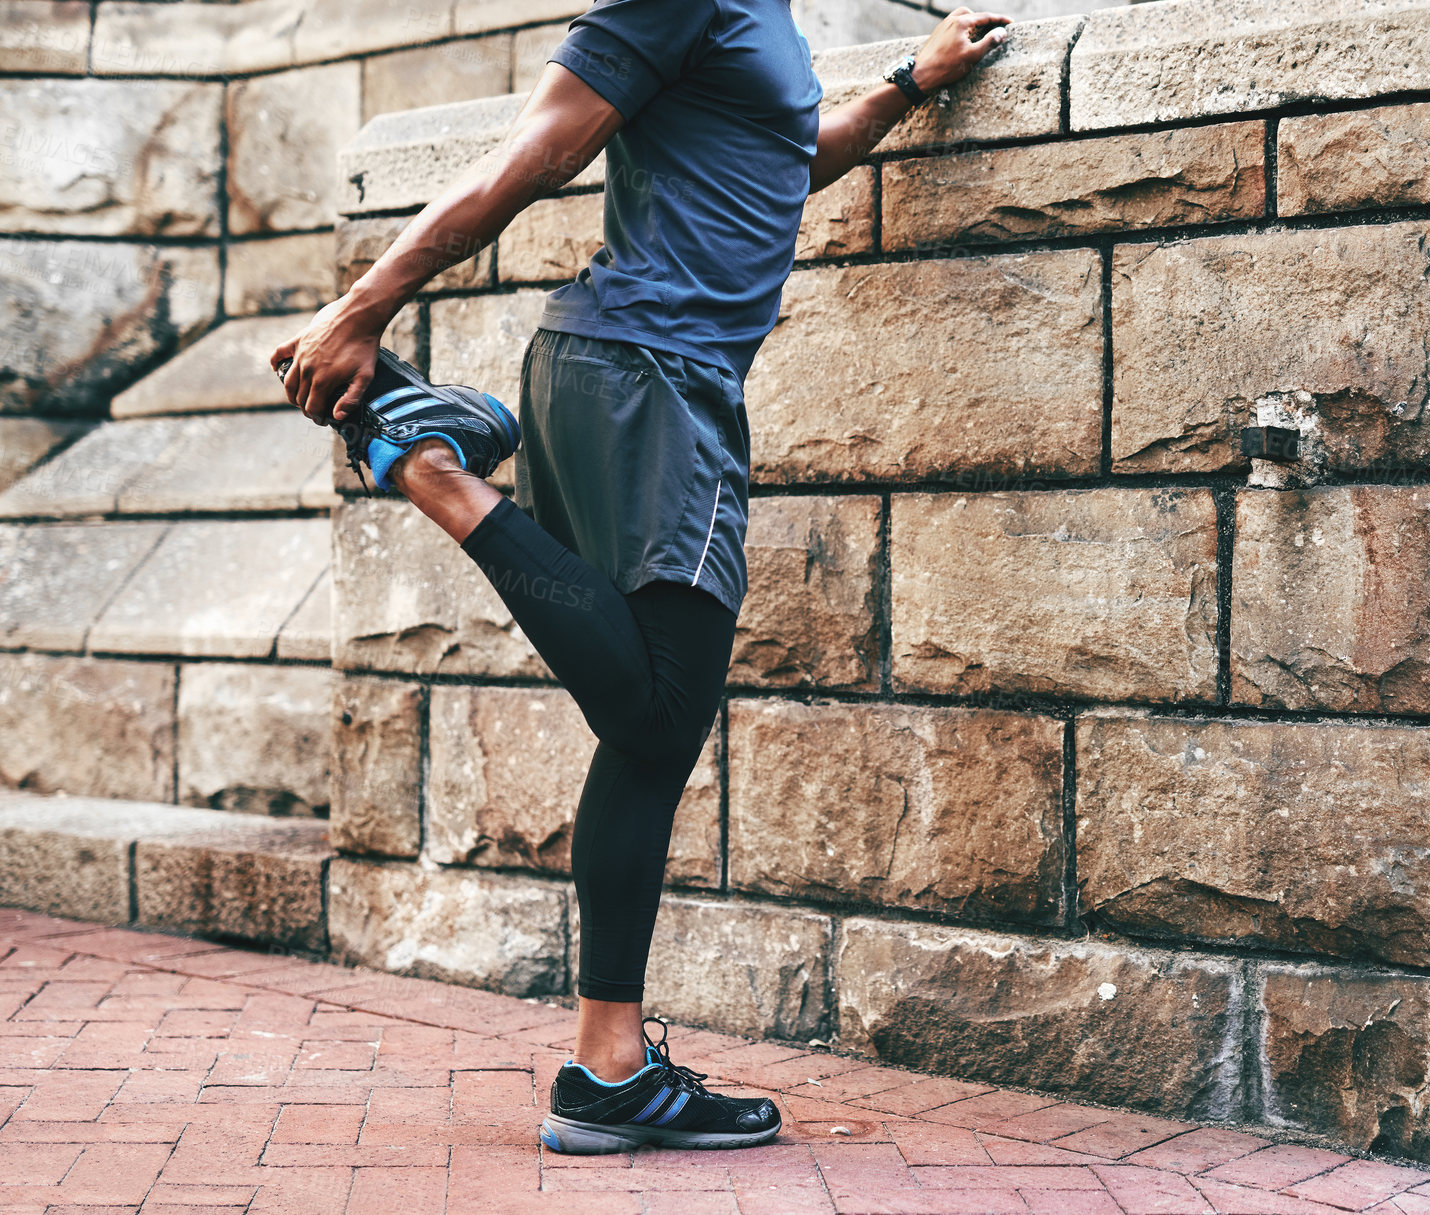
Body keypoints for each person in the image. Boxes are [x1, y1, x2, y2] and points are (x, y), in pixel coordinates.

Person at [274, 0, 1011, 1154]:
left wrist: (906, 88)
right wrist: (366, 305)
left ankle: (607, 1070)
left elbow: (785, 161)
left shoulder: (755, 18)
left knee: (646, 738)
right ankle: (432, 468)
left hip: (637, 376)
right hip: (651, 377)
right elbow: (541, 150)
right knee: (658, 711)